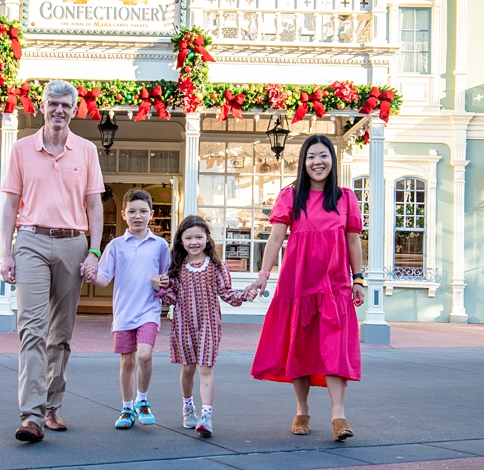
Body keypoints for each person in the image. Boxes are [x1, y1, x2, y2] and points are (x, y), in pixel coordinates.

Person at [0, 81, 105, 443]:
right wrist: (5, 253)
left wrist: (94, 251)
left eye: (65, 105)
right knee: (31, 328)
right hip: (30, 240)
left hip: (73, 243)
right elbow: (10, 206)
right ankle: (31, 416)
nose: (58, 110)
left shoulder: (87, 151)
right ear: (40, 107)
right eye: (52, 104)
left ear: (75, 110)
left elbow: (94, 206)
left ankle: (52, 404)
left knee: (60, 333)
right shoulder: (21, 149)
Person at [244, 134, 367, 441]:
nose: (317, 162)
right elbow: (275, 238)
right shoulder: (290, 196)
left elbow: (353, 239)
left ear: (332, 160)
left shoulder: (345, 198)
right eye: (311, 156)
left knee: (334, 347)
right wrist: (263, 274)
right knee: (298, 345)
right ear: (303, 162)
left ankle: (339, 415)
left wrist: (359, 278)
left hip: (334, 283)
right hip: (297, 283)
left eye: (323, 156)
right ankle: (302, 408)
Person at [152, 215, 257, 437]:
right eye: (188, 237)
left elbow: (228, 294)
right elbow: (170, 298)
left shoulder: (217, 266)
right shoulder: (177, 267)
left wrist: (245, 296)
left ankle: (206, 416)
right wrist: (158, 288)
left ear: (207, 239)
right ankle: (188, 406)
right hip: (183, 325)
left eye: (199, 237)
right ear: (180, 241)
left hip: (209, 324)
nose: (194, 242)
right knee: (188, 368)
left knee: (205, 368)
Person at [87, 189, 170, 429]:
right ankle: (126, 408)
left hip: (149, 311)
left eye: (143, 211)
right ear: (124, 214)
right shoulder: (116, 245)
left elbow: (167, 279)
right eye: (132, 211)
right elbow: (104, 278)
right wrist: (92, 277)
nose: (138, 216)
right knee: (127, 362)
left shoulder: (160, 245)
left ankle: (142, 401)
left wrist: (160, 287)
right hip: (124, 312)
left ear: (151, 214)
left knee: (144, 355)